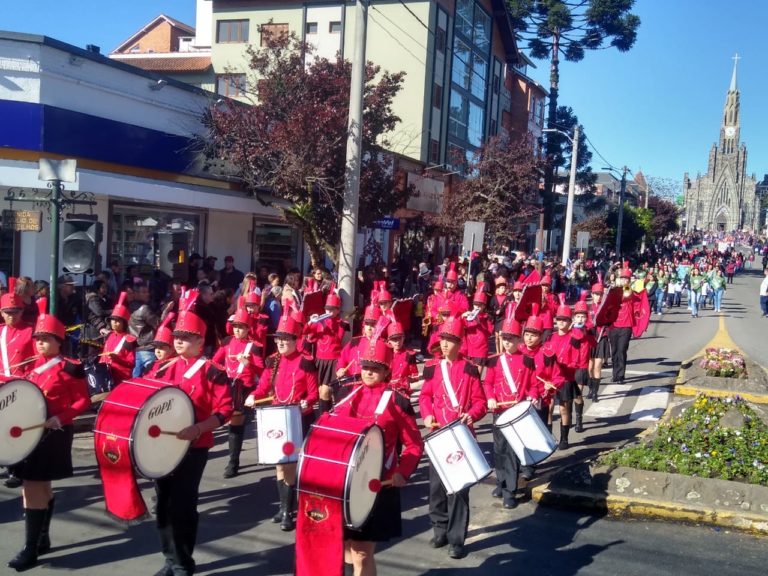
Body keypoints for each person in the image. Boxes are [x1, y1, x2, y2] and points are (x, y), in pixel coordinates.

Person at [7, 299, 90, 571]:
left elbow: (82, 402)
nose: (40, 343)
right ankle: (42, 539)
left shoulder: (69, 367)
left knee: (32, 487)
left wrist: (59, 418)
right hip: (29, 433)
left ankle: (30, 549)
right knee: (39, 487)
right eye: (38, 338)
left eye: (46, 339)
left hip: (53, 433)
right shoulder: (31, 365)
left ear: (58, 341)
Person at [332, 335, 423, 576]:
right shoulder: (345, 395)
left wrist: (402, 473)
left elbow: (414, 445)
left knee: (362, 552)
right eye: (366, 367)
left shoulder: (398, 401)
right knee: (343, 549)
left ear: (386, 371)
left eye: (376, 368)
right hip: (344, 484)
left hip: (377, 485)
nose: (369, 372)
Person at [152, 304, 233, 576]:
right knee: (163, 503)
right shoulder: (162, 368)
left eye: (186, 337)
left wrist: (198, 428)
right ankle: (169, 558)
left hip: (194, 446)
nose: (178, 340)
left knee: (184, 505)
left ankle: (183, 561)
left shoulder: (212, 371)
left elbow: (224, 411)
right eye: (177, 336)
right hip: (162, 446)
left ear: (200, 341)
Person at [419, 315, 487, 560]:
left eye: (450, 340)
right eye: (443, 339)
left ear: (460, 342)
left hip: (460, 435)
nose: (445, 344)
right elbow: (425, 397)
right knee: (436, 488)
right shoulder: (431, 367)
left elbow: (480, 402)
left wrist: (472, 414)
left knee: (458, 489)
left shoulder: (469, 368)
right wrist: (426, 417)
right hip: (438, 434)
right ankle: (440, 530)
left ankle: (457, 539)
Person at [245, 311, 318, 531]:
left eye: (286, 339)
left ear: (296, 340)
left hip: (298, 418)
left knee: (290, 465)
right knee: (279, 465)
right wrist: (253, 396)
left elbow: (313, 394)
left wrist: (307, 402)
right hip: (277, 416)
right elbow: (263, 387)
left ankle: (288, 510)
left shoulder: (306, 362)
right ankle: (284, 508)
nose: (281, 343)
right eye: (278, 339)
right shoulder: (272, 361)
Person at [212, 307, 263, 479]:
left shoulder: (254, 347)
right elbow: (216, 361)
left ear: (248, 328)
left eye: (241, 327)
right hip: (228, 385)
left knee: (235, 422)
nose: (237, 330)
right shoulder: (227, 341)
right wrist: (221, 371)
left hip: (244, 387)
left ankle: (233, 462)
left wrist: (249, 364)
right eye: (235, 326)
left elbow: (262, 372)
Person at [482, 316, 524, 509]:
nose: (508, 342)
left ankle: (510, 491)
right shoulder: (495, 361)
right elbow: (488, 383)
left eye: (512, 339)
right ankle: (501, 482)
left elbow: (532, 386)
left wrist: (531, 396)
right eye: (505, 338)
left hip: (516, 414)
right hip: (499, 411)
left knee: (512, 452)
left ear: (519, 339)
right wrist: (490, 397)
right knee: (499, 451)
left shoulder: (526, 360)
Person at [99, 292, 137, 387]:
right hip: (107, 376)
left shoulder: (129, 340)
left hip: (121, 378)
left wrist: (118, 359)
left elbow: (131, 364)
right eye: (113, 320)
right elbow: (103, 356)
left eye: (118, 320)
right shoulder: (109, 335)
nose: (114, 322)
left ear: (124, 323)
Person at [129, 282, 159, 377]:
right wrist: (165, 310)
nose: (148, 294)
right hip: (148, 347)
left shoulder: (130, 307)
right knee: (152, 375)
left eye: (147, 291)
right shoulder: (144, 309)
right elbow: (158, 324)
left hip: (137, 348)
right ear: (136, 294)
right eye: (144, 292)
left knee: (136, 378)